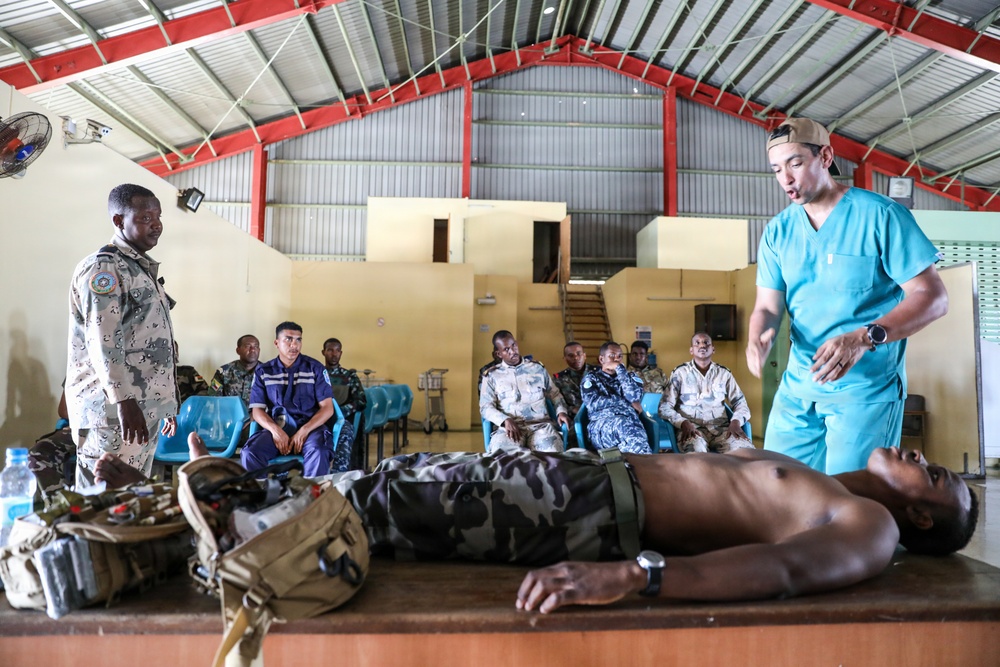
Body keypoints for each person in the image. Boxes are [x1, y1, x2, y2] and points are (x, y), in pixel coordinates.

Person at [101, 431, 976, 612]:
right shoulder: (823, 473)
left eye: (933, 477)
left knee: (398, 504)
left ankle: (217, 534)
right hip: (585, 476)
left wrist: (637, 575)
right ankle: (236, 507)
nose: (920, 455)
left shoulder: (869, 524)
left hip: (598, 511)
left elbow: (782, 571)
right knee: (402, 477)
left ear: (917, 516)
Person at [747, 118, 949, 474]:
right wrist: (758, 335)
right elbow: (767, 305)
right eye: (777, 169)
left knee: (851, 494)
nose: (786, 179)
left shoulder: (881, 216)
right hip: (799, 387)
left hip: (865, 391)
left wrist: (863, 338)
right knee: (777, 484)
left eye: (795, 163)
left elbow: (933, 297)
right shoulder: (778, 231)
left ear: (825, 157)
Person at [66, 183, 178, 486]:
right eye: (145, 218)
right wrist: (124, 401)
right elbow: (103, 341)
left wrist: (165, 402)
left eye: (158, 216)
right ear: (119, 220)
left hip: (143, 409)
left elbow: (152, 342)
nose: (156, 224)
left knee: (131, 500)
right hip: (113, 414)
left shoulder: (139, 270)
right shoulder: (104, 268)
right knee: (101, 498)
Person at [242, 322, 334, 477]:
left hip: (310, 429)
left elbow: (327, 408)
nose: (294, 345)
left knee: (319, 451)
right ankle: (259, 492)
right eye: (288, 339)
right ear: (276, 343)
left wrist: (304, 430)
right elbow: (257, 410)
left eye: (298, 340)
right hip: (277, 427)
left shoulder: (315, 368)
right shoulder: (264, 371)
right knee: (250, 453)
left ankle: (312, 492)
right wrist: (275, 431)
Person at [660, 332, 753, 454]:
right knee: (697, 455)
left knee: (746, 452)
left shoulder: (724, 374)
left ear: (713, 349)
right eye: (697, 343)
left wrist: (736, 421)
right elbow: (664, 407)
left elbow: (740, 403)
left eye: (706, 343)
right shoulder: (680, 373)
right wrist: (683, 423)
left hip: (722, 430)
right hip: (692, 430)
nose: (702, 345)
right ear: (691, 350)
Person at [480, 330, 570, 452]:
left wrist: (561, 412)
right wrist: (504, 420)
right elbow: (485, 407)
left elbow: (555, 394)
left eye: (513, 345)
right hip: (509, 428)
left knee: (552, 453)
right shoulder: (491, 376)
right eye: (506, 349)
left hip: (540, 426)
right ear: (499, 354)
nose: (513, 351)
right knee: (502, 456)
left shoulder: (537, 369)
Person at [580, 342, 650, 454]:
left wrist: (620, 370)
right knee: (631, 436)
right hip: (602, 426)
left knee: (633, 443)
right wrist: (626, 403)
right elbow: (593, 404)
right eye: (612, 356)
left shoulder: (630, 378)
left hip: (630, 424)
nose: (616, 359)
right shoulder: (591, 378)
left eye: (620, 356)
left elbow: (633, 396)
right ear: (601, 359)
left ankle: (632, 462)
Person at [321, 337, 365, 472]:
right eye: (330, 350)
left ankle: (340, 473)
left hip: (341, 420)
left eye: (337, 351)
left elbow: (361, 401)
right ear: (323, 352)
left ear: (341, 353)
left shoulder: (349, 376)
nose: (334, 354)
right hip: (320, 419)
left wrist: (340, 412)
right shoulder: (317, 375)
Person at [27, 388, 76, 499]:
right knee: (36, 454)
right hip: (78, 428)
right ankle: (61, 503)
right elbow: (63, 410)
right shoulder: (74, 375)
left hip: (114, 430)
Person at [208, 334, 260, 405]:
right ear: (238, 350)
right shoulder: (223, 372)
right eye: (248, 346)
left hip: (258, 412)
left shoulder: (267, 372)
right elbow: (213, 398)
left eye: (256, 346)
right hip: (229, 412)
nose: (253, 349)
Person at [552, 341, 597, 420]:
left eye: (579, 354)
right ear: (565, 359)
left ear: (584, 355)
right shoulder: (559, 379)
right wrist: (572, 409)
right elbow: (557, 402)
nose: (576, 358)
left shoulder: (598, 373)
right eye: (571, 355)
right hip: (575, 418)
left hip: (599, 414)